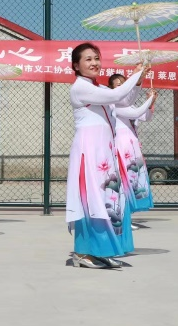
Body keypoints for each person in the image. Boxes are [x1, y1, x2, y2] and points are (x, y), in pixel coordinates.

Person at [66, 43, 144, 268]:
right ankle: (83, 253)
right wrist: (135, 74)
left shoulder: (97, 88)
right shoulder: (80, 88)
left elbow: (124, 101)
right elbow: (118, 93)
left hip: (103, 151)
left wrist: (138, 81)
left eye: (97, 58)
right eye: (88, 59)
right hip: (89, 151)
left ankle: (99, 251)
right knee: (92, 199)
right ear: (76, 65)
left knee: (108, 198)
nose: (94, 63)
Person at [110, 74, 157, 216]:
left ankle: (128, 214)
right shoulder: (114, 103)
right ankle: (122, 214)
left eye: (124, 84)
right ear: (111, 88)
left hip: (132, 146)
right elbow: (136, 113)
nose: (122, 87)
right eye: (118, 85)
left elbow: (146, 117)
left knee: (135, 178)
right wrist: (148, 100)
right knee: (124, 178)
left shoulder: (129, 105)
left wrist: (151, 103)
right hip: (121, 146)